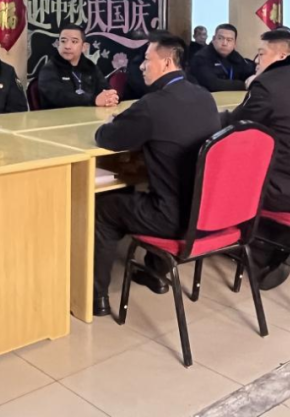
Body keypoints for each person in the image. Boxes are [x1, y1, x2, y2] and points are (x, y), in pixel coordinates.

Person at [92, 33, 221, 316]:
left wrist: (113, 122)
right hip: (205, 212)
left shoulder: (153, 105)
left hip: (170, 217)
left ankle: (96, 295)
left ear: (165, 62)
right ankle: (155, 272)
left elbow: (107, 138)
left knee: (103, 208)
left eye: (147, 60)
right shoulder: (204, 97)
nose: (141, 66)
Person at [220, 29, 290, 289]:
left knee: (218, 171)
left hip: (284, 187)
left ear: (281, 55)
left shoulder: (267, 84)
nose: (256, 60)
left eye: (261, 54)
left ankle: (268, 245)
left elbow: (238, 124)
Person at [38, 25, 118, 110]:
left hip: (90, 115)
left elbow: (105, 88)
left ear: (84, 47)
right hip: (59, 116)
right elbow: (60, 98)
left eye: (74, 41)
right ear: (58, 44)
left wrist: (111, 97)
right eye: (63, 41)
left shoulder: (90, 66)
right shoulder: (49, 69)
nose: (67, 46)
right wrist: (94, 100)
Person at [189, 23, 254, 91]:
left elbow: (248, 71)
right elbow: (213, 84)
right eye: (220, 38)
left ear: (235, 43)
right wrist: (244, 85)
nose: (224, 43)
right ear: (213, 39)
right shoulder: (201, 57)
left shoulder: (235, 56)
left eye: (229, 40)